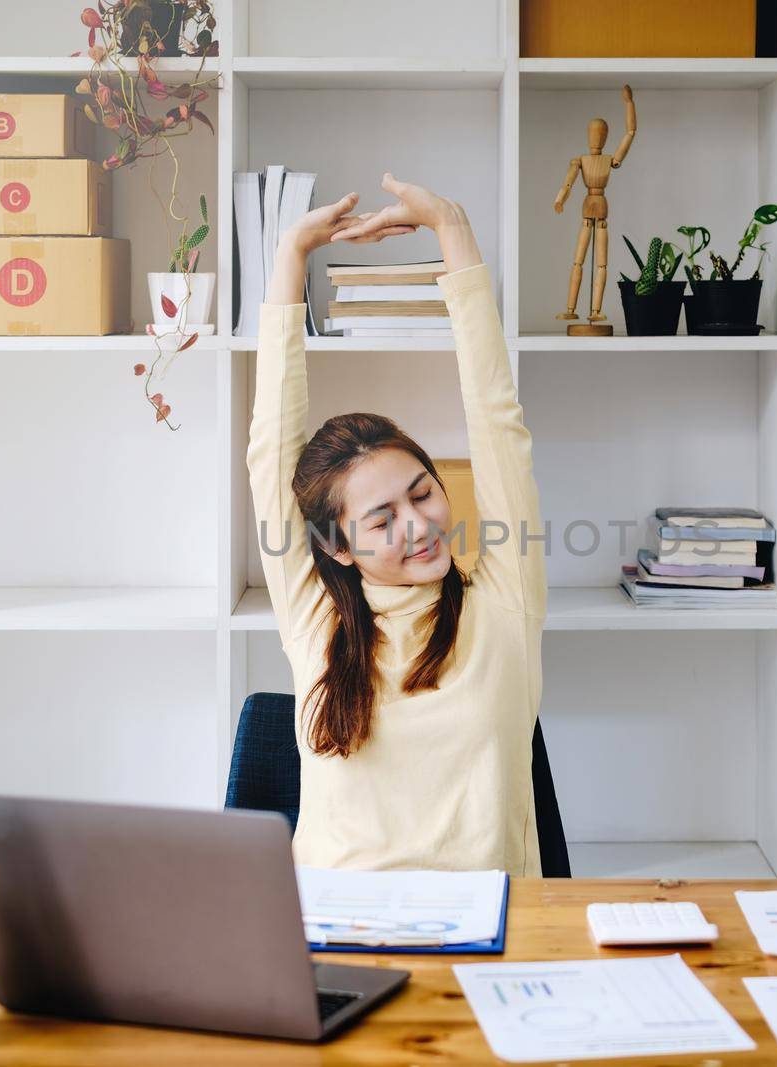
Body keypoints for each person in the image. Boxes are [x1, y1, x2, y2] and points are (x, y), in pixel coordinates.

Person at [247, 173, 548, 876]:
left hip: (491, 941)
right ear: (338, 545)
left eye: (423, 493)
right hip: (338, 934)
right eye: (382, 518)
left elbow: (499, 422)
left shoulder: (504, 605)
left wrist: (453, 232)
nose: (419, 524)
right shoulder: (314, 616)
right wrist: (291, 255)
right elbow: (271, 452)